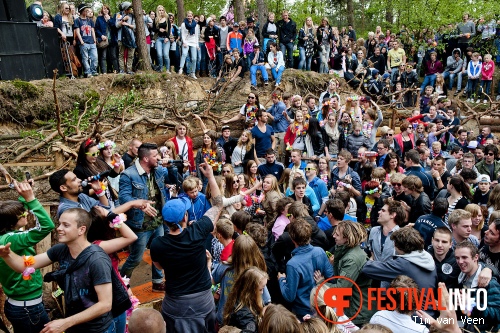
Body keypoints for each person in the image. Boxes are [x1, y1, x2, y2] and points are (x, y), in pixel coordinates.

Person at [0, 208, 116, 333]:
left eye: (65, 225)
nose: (59, 228)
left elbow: (105, 304)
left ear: (81, 230)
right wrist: (7, 255)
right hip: (75, 325)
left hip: (98, 329)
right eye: (60, 224)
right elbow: (25, 266)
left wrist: (65, 322)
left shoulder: (97, 260)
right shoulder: (60, 249)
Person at [150, 160, 223, 333]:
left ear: (166, 221)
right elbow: (218, 204)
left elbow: (159, 266)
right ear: (185, 216)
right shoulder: (197, 231)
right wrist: (210, 177)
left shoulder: (158, 244)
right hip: (202, 300)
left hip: (175, 302)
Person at [0, 181, 54, 332]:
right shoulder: (12, 239)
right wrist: (31, 199)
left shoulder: (4, 236)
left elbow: (13, 213)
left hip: (18, 304)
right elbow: (47, 226)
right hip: (28, 309)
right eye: (23, 214)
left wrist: (23, 198)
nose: (27, 213)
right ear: (11, 222)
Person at [119, 143, 168, 292]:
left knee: (158, 254)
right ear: (145, 158)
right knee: (135, 258)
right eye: (155, 156)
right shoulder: (128, 174)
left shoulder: (158, 170)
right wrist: (140, 205)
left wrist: (172, 166)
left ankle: (158, 282)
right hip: (140, 225)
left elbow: (171, 179)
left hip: (158, 221)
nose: (158, 158)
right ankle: (120, 284)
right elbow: (124, 198)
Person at [314, 220, 376, 325]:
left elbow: (341, 289)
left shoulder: (351, 259)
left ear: (347, 239)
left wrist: (321, 283)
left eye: (337, 234)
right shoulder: (348, 251)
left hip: (358, 312)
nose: (333, 236)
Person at [278, 217, 333, 318]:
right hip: (321, 307)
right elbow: (331, 277)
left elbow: (290, 296)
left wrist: (281, 280)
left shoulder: (292, 264)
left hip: (303, 313)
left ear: (292, 238)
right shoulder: (320, 251)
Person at [455, 241, 500, 332]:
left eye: (464, 257)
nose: (460, 261)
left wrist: (472, 305)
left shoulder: (489, 282)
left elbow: (498, 314)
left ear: (476, 257)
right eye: (457, 258)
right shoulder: (461, 277)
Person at [222, 267, 268, 332]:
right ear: (250, 290)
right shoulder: (245, 314)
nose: (262, 292)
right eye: (260, 289)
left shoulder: (237, 296)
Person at [75, 4, 98, 77]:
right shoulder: (77, 20)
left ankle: (93, 71)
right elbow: (77, 31)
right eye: (86, 11)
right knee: (85, 58)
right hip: (84, 42)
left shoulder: (90, 20)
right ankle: (88, 72)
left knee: (95, 57)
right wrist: (81, 41)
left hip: (91, 42)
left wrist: (94, 40)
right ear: (82, 11)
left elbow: (92, 31)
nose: (87, 12)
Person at [115, 2, 136, 74]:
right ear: (126, 9)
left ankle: (129, 69)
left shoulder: (132, 16)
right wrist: (123, 20)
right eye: (129, 8)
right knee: (121, 54)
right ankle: (122, 70)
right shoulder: (119, 14)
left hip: (131, 38)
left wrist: (127, 24)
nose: (131, 9)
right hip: (121, 37)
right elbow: (117, 25)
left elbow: (134, 26)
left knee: (131, 54)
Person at [179, 11, 200, 78]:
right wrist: (184, 42)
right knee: (184, 54)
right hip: (186, 41)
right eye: (188, 16)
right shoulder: (183, 24)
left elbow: (196, 36)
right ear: (186, 16)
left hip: (193, 42)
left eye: (190, 16)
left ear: (192, 17)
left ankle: (193, 72)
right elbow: (183, 34)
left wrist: (197, 45)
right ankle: (181, 69)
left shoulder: (196, 25)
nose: (189, 17)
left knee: (194, 58)